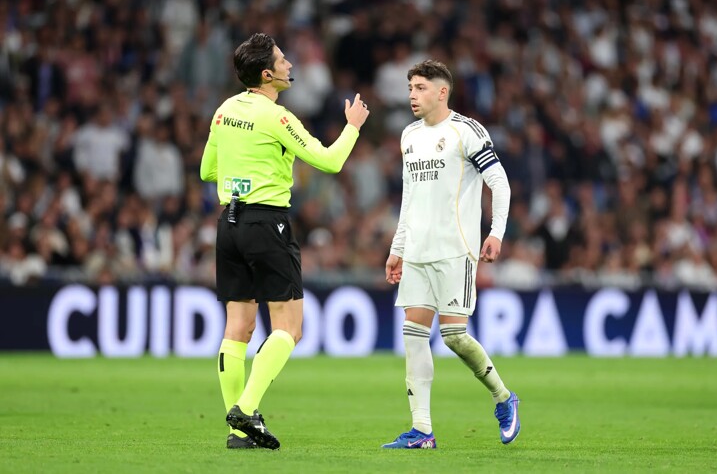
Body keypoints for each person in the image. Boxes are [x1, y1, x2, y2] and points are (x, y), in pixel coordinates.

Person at [199, 32, 369, 450]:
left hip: (229, 224)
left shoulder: (224, 111)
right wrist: (352, 127)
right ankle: (246, 409)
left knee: (237, 328)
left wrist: (243, 168)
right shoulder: (277, 117)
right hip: (266, 224)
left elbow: (207, 171)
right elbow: (329, 160)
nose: (289, 64)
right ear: (266, 74)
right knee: (289, 329)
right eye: (281, 60)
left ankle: (238, 432)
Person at [383, 60, 519, 449]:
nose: (412, 95)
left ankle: (503, 397)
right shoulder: (409, 136)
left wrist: (496, 233)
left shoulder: (466, 131)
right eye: (410, 87)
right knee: (413, 335)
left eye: (421, 87)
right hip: (417, 251)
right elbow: (409, 197)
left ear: (442, 92)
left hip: (455, 250)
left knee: (454, 336)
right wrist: (398, 248)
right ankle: (422, 430)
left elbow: (500, 184)